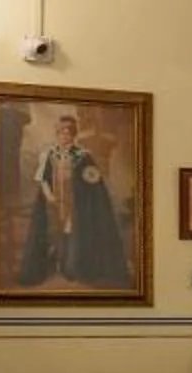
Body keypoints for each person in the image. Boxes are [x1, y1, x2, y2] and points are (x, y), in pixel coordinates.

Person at [19, 110, 131, 288]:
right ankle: (56, 265)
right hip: (54, 201)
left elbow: (92, 179)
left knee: (72, 231)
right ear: (57, 134)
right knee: (55, 232)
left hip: (76, 202)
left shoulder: (82, 155)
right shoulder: (50, 154)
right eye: (61, 132)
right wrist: (49, 195)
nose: (64, 135)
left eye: (68, 132)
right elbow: (42, 178)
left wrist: (88, 183)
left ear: (73, 134)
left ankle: (72, 267)